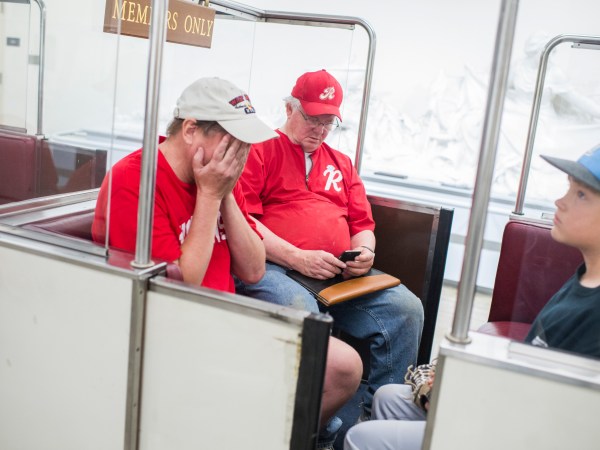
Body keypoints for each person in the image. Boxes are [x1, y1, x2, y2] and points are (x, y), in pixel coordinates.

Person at [92, 77, 363, 444]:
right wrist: (208, 198)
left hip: (227, 318)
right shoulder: (136, 179)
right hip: (177, 332)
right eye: (233, 141)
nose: (242, 152)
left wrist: (227, 195)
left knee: (344, 367)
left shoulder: (215, 179)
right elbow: (178, 289)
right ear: (190, 130)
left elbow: (252, 269)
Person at [343, 143, 600, 449]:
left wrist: (465, 390)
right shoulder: (585, 275)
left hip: (522, 430)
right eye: (568, 189)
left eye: (581, 194)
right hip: (516, 402)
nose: (561, 201)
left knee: (360, 438)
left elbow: (555, 416)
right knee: (387, 398)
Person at [234, 69, 425, 427]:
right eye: (311, 118)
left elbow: (362, 225)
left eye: (328, 122)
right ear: (289, 109)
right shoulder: (259, 151)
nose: (319, 129)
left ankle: (380, 426)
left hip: (337, 273)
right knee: (302, 310)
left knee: (407, 309)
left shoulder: (341, 163)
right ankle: (313, 424)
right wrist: (297, 257)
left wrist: (364, 254)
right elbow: (244, 220)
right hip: (278, 267)